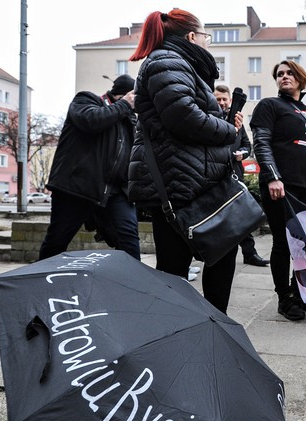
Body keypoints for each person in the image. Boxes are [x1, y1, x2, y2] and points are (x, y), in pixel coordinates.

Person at [127, 8, 243, 314]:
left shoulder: (176, 63)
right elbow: (183, 116)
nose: (208, 43)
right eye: (206, 36)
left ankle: (206, 326)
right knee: (176, 268)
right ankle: (188, 327)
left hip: (187, 179)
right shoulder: (168, 61)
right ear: (192, 37)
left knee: (214, 254)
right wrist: (228, 130)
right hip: (179, 183)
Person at [250, 60, 306, 321]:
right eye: (279, 74)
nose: (284, 77)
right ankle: (284, 297)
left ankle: (300, 290)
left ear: (301, 78)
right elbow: (261, 143)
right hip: (281, 187)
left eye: (289, 73)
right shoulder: (269, 105)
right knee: (283, 243)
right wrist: (273, 177)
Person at [39, 74, 140, 261]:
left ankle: (134, 286)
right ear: (124, 95)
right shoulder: (86, 100)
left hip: (115, 191)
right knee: (57, 240)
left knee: (128, 239)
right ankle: (38, 282)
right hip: (77, 187)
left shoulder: (129, 120)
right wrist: (124, 104)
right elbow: (91, 121)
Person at [213, 84, 269, 267]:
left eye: (224, 99)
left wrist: (242, 154)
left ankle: (250, 253)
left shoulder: (237, 121)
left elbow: (247, 144)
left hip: (236, 176)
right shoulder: (209, 119)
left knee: (242, 217)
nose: (221, 102)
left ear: (230, 100)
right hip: (215, 178)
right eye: (218, 99)